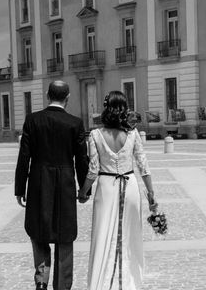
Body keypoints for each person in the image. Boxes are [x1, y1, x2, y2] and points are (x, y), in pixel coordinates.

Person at [78, 90, 158, 290]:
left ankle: (101, 283)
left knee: (103, 233)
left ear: (106, 108)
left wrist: (83, 192)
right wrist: (151, 194)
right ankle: (129, 282)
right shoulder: (132, 134)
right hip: (129, 184)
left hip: (106, 187)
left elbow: (93, 170)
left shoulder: (95, 135)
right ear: (124, 109)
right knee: (130, 234)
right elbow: (143, 165)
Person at [14, 80, 89, 290]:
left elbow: (24, 157)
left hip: (38, 185)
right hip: (65, 186)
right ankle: (62, 287)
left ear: (47, 95)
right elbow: (82, 160)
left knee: (39, 235)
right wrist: (84, 190)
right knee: (65, 239)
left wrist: (20, 188)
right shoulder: (75, 123)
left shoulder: (32, 120)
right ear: (68, 98)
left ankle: (41, 282)